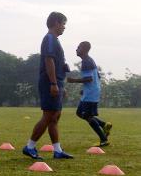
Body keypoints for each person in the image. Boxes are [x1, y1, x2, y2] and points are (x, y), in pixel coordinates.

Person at [22, 12, 73, 160]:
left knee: (54, 117)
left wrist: (63, 68)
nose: (64, 27)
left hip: (56, 81)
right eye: (63, 24)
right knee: (49, 115)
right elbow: (48, 61)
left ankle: (57, 151)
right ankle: (29, 147)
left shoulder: (54, 40)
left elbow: (54, 62)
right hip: (50, 82)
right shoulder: (50, 39)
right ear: (56, 23)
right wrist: (53, 83)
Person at [67, 41, 112, 146]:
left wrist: (73, 80)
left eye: (78, 48)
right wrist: (86, 89)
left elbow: (89, 78)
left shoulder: (86, 62)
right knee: (79, 113)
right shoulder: (89, 60)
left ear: (84, 49)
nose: (76, 49)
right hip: (91, 91)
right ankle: (104, 124)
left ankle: (103, 139)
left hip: (91, 93)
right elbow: (97, 77)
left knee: (87, 116)